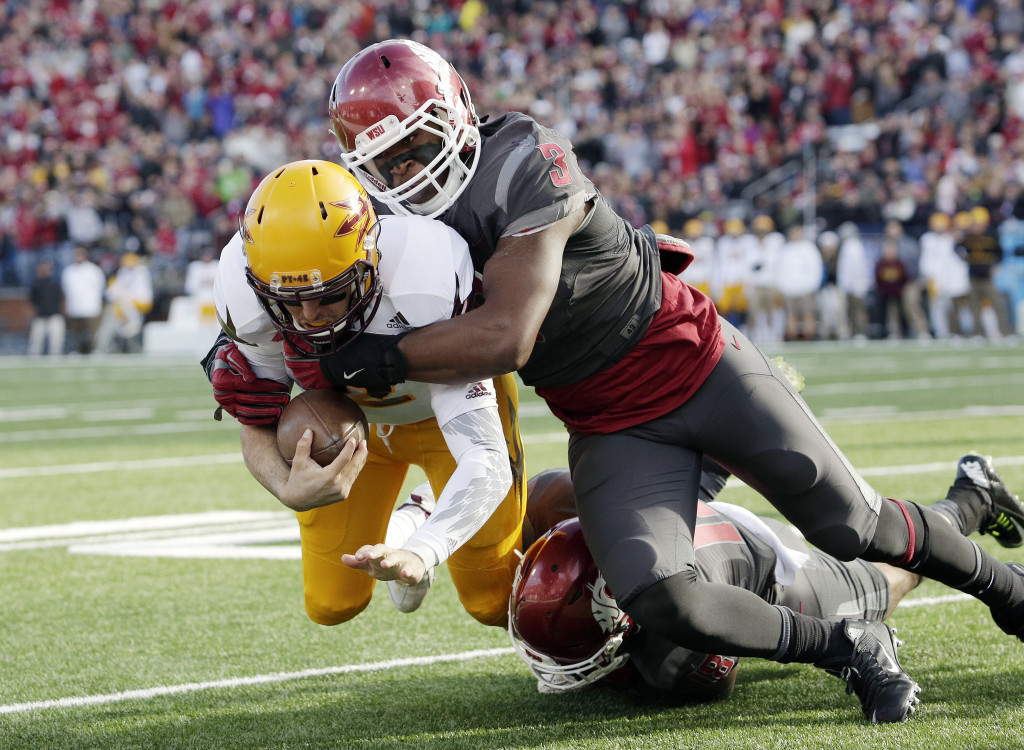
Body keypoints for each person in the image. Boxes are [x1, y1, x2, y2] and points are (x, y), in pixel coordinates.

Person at [312, 39, 1024, 722]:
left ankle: (1009, 592)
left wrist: (383, 357)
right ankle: (844, 645)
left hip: (701, 366)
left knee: (852, 524)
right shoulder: (389, 227)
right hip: (611, 423)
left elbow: (508, 334)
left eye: (419, 145)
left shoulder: (522, 155)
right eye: (387, 162)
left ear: (458, 114)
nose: (410, 173)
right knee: (660, 597)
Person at [200, 159, 525, 628]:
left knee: (493, 603)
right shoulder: (244, 296)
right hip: (350, 435)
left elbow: (485, 459)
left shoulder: (422, 275)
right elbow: (256, 420)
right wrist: (286, 486)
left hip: (445, 414)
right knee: (332, 605)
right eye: (288, 302)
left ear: (370, 257)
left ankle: (423, 510)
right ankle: (415, 513)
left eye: (329, 294)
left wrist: (421, 551)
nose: (309, 316)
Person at [508, 454, 1021, 704]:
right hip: (694, 525)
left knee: (894, 575)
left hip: (776, 570)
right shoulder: (555, 500)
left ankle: (973, 495)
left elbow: (715, 680)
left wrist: (626, 673)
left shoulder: (674, 650)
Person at [60, 246, 106, 355]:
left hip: (91, 305)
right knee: (77, 331)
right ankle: (78, 350)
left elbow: (100, 286)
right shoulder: (69, 271)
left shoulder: (93, 270)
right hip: (75, 306)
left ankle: (94, 349)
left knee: (93, 331)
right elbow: (65, 289)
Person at [27, 259, 65, 356]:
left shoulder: (55, 284)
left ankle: (55, 359)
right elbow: (32, 301)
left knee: (56, 343)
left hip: (54, 315)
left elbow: (61, 299)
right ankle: (34, 359)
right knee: (36, 342)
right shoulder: (35, 284)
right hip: (40, 316)